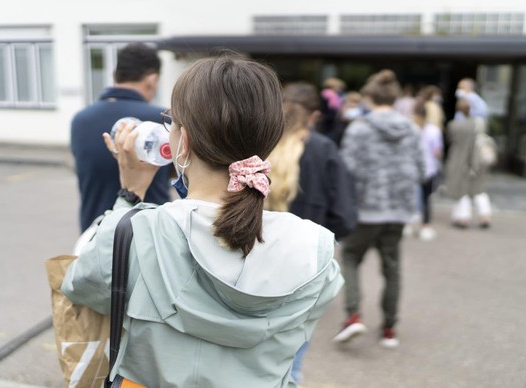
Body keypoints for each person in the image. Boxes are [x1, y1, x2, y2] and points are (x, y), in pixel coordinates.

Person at [61, 54, 344, 387]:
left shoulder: (132, 232)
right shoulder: (316, 249)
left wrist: (130, 195)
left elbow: (80, 286)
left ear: (184, 142)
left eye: (172, 122)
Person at [265, 81, 358, 385]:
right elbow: (344, 214)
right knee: (293, 360)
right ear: (315, 114)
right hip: (305, 269)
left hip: (255, 260)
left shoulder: (258, 143)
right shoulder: (323, 149)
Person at [333, 70, 425, 348]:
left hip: (366, 209)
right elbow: (422, 169)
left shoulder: (359, 128)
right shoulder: (411, 128)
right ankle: (389, 328)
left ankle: (353, 315)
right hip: (399, 210)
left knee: (350, 256)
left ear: (369, 97)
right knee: (392, 267)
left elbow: (346, 171)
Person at [70, 42, 171, 232]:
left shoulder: (80, 120)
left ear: (116, 75)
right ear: (152, 79)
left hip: (95, 234)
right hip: (149, 237)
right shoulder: (163, 120)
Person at [445, 99, 492, 229]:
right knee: (478, 189)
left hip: (459, 160)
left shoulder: (454, 125)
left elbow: (450, 139)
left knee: (461, 189)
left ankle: (462, 217)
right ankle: (484, 215)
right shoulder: (476, 124)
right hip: (476, 160)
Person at [412, 101, 444, 241]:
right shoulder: (434, 130)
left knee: (410, 197)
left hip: (412, 168)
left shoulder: (411, 129)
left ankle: (408, 224)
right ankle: (425, 226)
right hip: (429, 169)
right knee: (426, 199)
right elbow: (437, 151)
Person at [318, 77, 346, 145]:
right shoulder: (331, 95)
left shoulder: (323, 94)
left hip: (326, 123)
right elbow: (333, 109)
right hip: (329, 124)